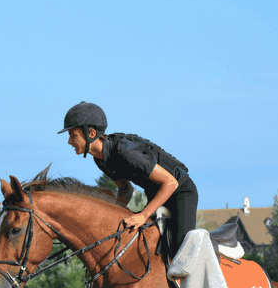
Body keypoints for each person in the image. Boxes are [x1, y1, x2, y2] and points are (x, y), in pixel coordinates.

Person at [59, 101, 199, 260]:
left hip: (181, 193)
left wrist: (143, 215)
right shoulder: (100, 159)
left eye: (73, 135)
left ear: (91, 133)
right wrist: (111, 217)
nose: (70, 141)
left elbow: (171, 182)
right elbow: (126, 190)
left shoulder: (124, 151)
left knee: (180, 253)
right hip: (157, 196)